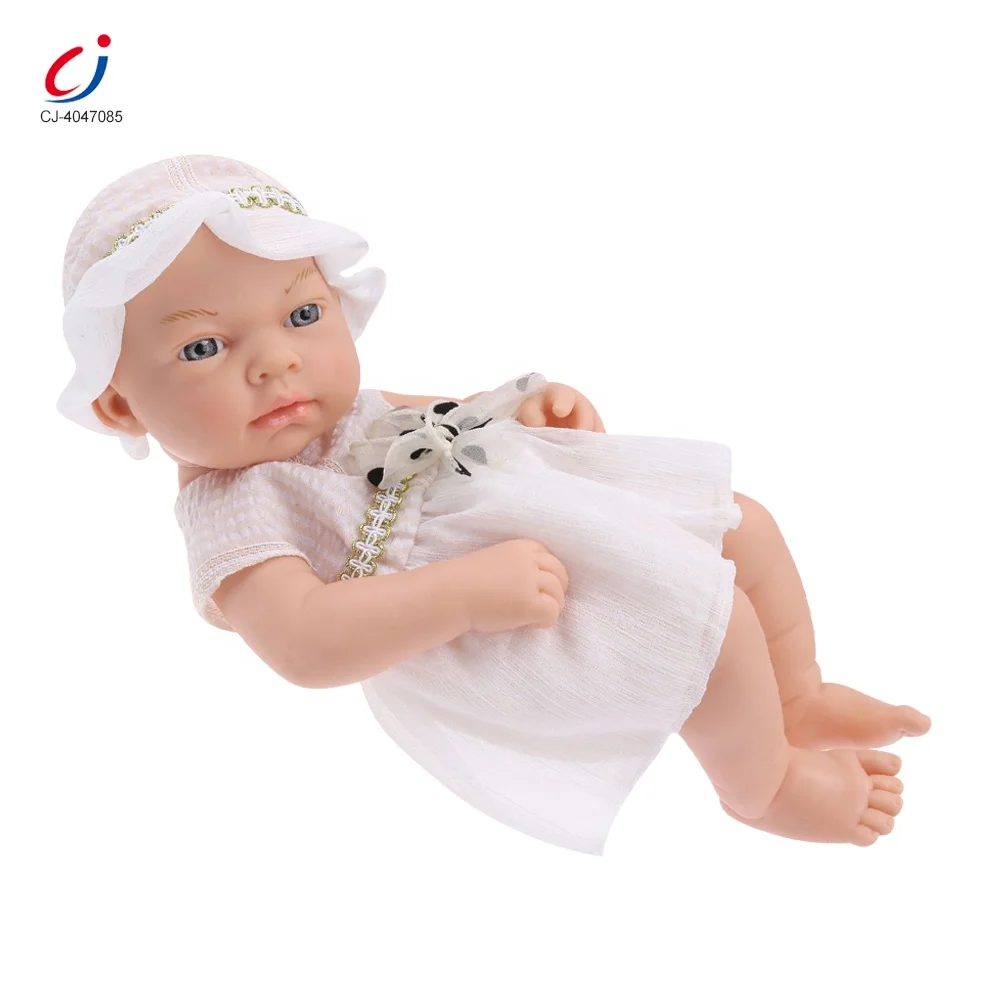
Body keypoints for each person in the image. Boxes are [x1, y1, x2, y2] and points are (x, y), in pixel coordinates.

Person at [57, 155, 931, 855]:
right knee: (711, 621)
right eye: (204, 347)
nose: (276, 362)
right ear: (121, 404)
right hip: (489, 619)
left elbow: (441, 421)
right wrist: (469, 595)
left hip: (540, 520)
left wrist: (523, 409)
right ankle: (764, 785)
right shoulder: (234, 508)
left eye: (302, 315)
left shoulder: (336, 412)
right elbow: (305, 644)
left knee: (744, 525)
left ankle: (798, 697)